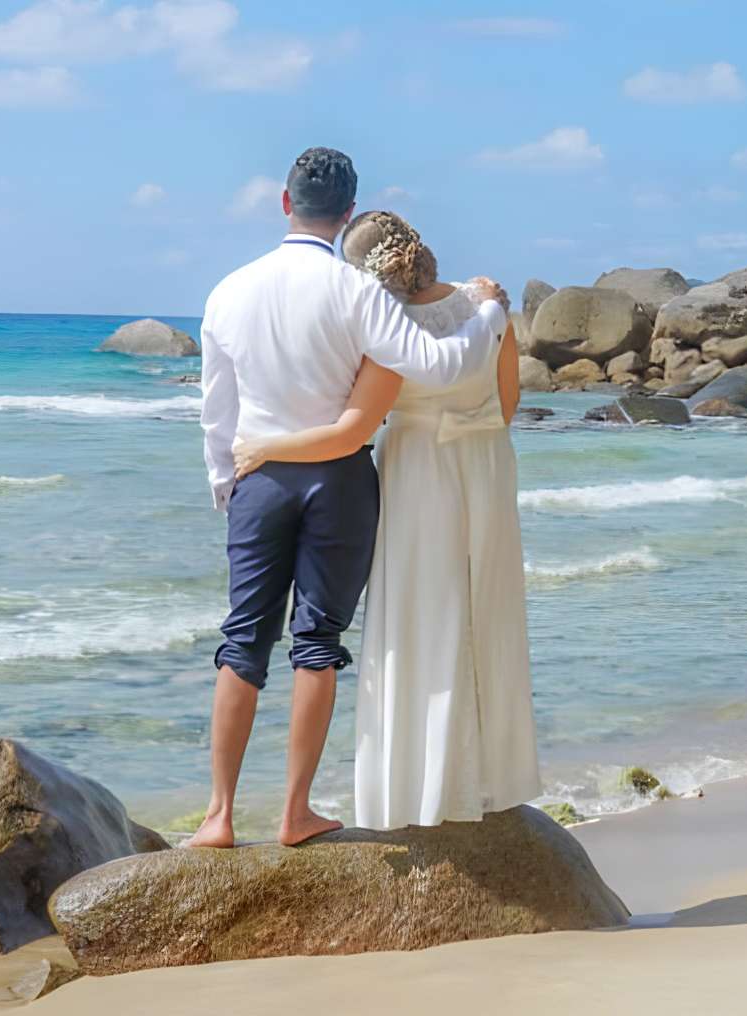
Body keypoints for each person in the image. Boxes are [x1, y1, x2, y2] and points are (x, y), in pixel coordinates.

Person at [191, 149, 509, 848]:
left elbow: (218, 412)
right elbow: (438, 362)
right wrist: (486, 314)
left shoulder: (227, 292)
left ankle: (217, 816)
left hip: (259, 477)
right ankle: (295, 813)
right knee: (317, 642)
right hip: (338, 479)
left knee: (243, 639)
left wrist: (229, 486)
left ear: (284, 202)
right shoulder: (354, 290)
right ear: (346, 213)